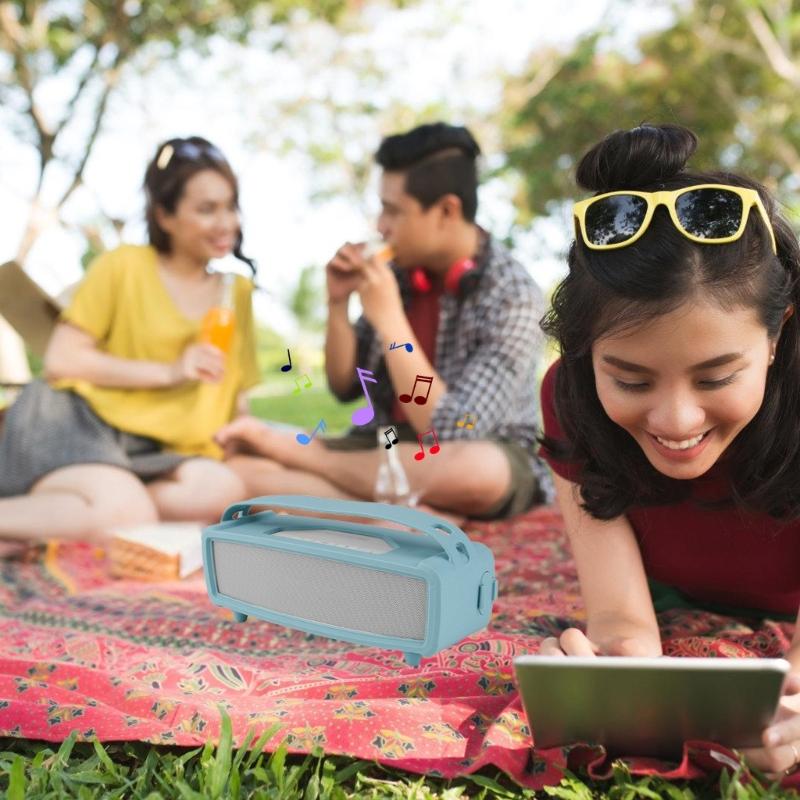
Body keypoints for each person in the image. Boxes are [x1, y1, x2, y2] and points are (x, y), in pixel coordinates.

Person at [536, 123, 800, 776]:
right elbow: (623, 617)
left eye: (716, 378)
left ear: (776, 336)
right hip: (671, 590)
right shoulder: (569, 396)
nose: (676, 419)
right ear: (583, 354)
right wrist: (622, 682)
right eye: (630, 379)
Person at [217, 122, 553, 519]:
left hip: (468, 451)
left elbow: (451, 431)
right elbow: (343, 386)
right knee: (238, 469)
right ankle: (413, 511)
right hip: (384, 448)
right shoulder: (396, 275)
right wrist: (337, 304)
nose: (380, 226)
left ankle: (321, 469)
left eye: (393, 210)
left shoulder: (513, 296)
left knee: (481, 472)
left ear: (446, 210)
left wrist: (391, 321)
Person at [0, 136, 260, 540]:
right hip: (75, 417)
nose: (226, 223)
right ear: (165, 216)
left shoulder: (236, 292)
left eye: (231, 206)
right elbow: (63, 361)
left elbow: (235, 394)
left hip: (151, 448)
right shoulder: (123, 265)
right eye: (207, 209)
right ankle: (114, 510)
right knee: (126, 514)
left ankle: (94, 510)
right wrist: (171, 370)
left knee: (221, 492)